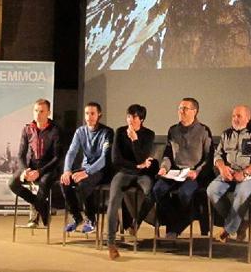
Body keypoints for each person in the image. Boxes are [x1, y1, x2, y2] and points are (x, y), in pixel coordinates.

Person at [153, 97, 212, 239]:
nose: (181, 111)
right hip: (176, 171)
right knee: (157, 190)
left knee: (185, 194)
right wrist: (163, 168)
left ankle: (177, 226)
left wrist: (196, 172)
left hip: (193, 173)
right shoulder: (173, 130)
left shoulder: (204, 131)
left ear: (194, 111)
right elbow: (168, 154)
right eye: (180, 108)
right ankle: (176, 222)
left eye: (185, 108)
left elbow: (208, 158)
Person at [207, 105, 251, 242]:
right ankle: (238, 224)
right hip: (228, 173)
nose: (235, 119)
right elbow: (217, 155)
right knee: (212, 190)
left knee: (242, 194)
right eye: (233, 116)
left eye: (239, 116)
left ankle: (228, 230)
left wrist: (244, 173)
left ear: (248, 118)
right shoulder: (226, 134)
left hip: (247, 175)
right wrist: (222, 168)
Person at [106, 104, 157, 260]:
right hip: (125, 172)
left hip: (142, 175)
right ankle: (111, 244)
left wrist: (135, 140)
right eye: (129, 116)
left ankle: (137, 222)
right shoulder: (120, 132)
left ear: (141, 119)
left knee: (152, 192)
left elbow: (143, 157)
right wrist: (136, 165)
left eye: (134, 117)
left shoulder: (148, 134)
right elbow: (116, 160)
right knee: (113, 201)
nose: (130, 120)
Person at [61, 102, 114, 234]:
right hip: (85, 168)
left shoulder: (107, 132)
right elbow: (71, 152)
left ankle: (91, 219)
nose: (89, 117)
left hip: (101, 170)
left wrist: (87, 172)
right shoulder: (80, 131)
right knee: (65, 182)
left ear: (99, 115)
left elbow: (104, 158)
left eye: (92, 113)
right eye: (87, 113)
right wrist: (67, 170)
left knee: (84, 184)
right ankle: (77, 217)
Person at [8, 99, 62, 227]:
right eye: (36, 111)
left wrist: (40, 172)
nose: (38, 114)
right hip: (31, 167)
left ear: (48, 113)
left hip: (48, 168)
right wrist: (25, 170)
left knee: (43, 184)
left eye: (42, 111)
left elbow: (57, 157)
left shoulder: (56, 130)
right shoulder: (27, 129)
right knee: (12, 183)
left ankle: (33, 219)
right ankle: (43, 208)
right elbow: (21, 154)